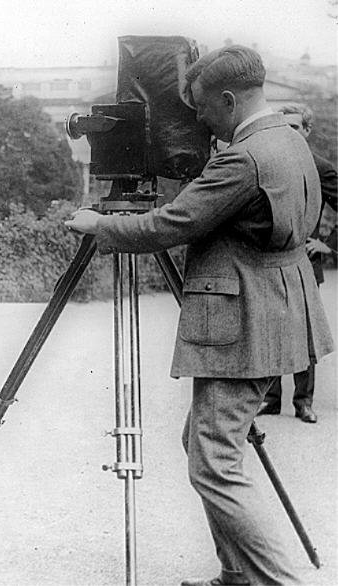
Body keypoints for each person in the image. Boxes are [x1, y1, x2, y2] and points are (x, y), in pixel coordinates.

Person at [65, 46, 333, 585]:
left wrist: (98, 223)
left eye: (205, 109)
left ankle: (279, 581)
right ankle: (239, 576)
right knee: (206, 443)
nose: (199, 122)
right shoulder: (287, 139)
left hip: (246, 318)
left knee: (214, 465)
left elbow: (172, 224)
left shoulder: (243, 157)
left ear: (230, 99)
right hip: (277, 307)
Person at [257, 103, 338, 423]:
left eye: (294, 128)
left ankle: (303, 400)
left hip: (305, 261)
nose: (288, 134)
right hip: (271, 261)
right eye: (283, 128)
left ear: (306, 131)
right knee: (271, 330)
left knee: (304, 333)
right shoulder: (268, 163)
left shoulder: (322, 167)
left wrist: (328, 245)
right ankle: (271, 399)